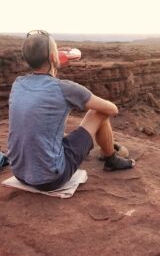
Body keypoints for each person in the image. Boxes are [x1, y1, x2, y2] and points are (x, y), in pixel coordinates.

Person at [7, 30, 135, 191]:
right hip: (51, 178)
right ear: (54, 57)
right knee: (99, 112)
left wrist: (53, 64)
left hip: (20, 173)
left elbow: (43, 79)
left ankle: (106, 153)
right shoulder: (64, 88)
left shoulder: (18, 84)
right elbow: (112, 109)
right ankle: (111, 159)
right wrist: (54, 65)